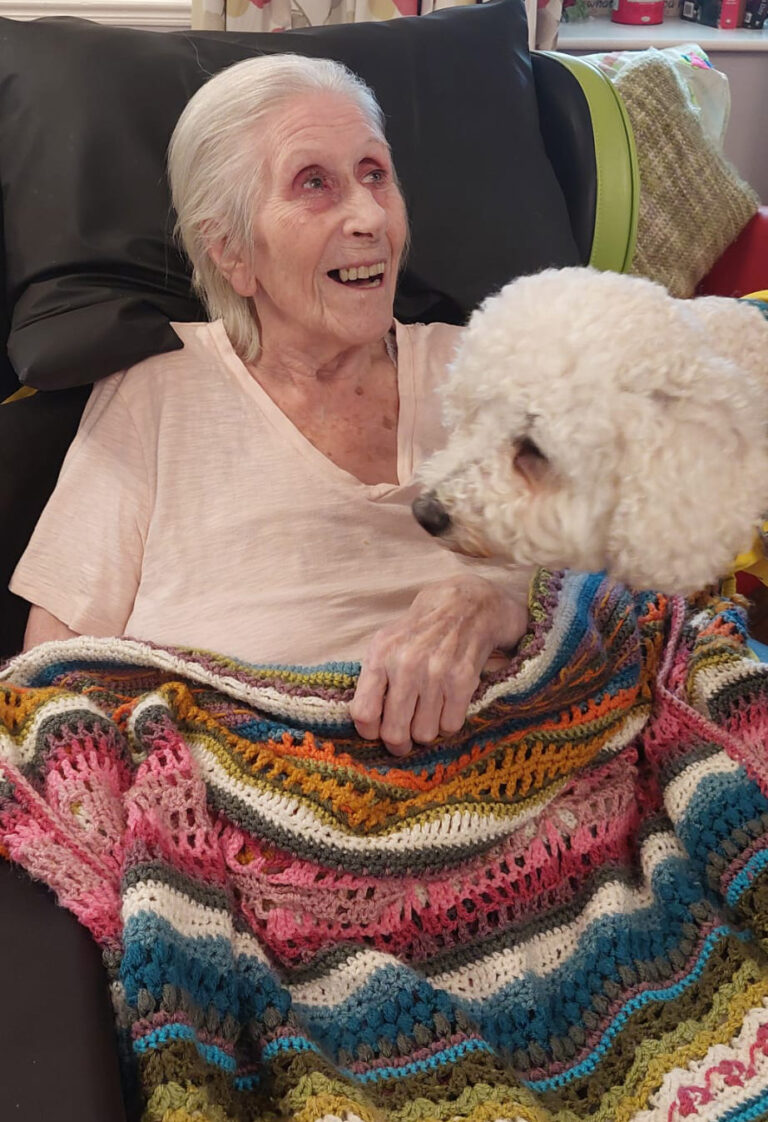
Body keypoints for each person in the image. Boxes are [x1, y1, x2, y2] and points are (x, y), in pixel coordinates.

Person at [10, 54, 530, 757]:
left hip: (511, 775)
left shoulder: (492, 367)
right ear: (231, 252)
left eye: (374, 173)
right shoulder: (157, 393)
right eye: (314, 183)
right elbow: (48, 684)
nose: (370, 216)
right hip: (223, 794)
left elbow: (617, 588)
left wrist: (489, 603)